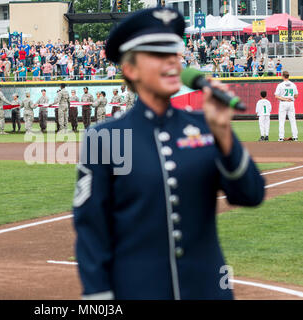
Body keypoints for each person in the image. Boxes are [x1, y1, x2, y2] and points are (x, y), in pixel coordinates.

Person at [73, 7, 265, 300]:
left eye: (174, 53)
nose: (172, 62)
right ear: (130, 69)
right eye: (158, 54)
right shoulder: (106, 137)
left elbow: (251, 195)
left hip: (208, 290)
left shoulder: (206, 126)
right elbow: (91, 229)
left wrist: (223, 132)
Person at [275, 71, 299, 141]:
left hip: (283, 103)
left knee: (282, 121)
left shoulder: (280, 85)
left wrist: (285, 99)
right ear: (288, 76)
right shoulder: (293, 85)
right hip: (291, 103)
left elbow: (276, 96)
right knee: (293, 120)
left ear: (283, 76)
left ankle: (281, 137)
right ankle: (295, 137)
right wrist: (291, 98)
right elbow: (296, 95)